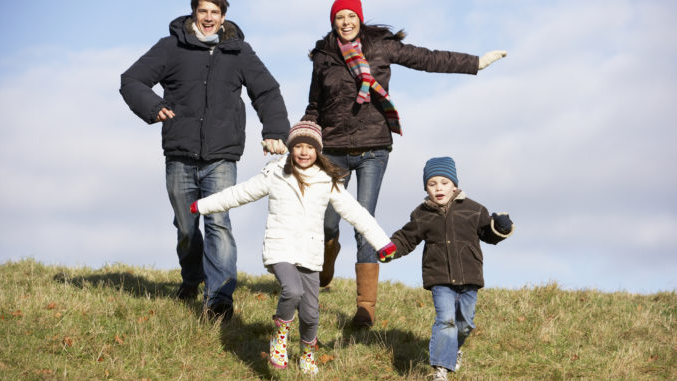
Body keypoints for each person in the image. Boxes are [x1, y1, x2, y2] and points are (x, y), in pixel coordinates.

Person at [301, 0, 508, 327]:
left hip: (374, 148)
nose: (345, 22)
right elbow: (314, 105)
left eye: (350, 16)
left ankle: (365, 308)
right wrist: (301, 136)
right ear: (333, 21)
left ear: (359, 18)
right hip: (334, 149)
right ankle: (327, 257)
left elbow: (427, 58)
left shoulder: (381, 47)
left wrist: (475, 64)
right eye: (339, 17)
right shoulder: (324, 57)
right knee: (327, 220)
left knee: (364, 221)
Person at [119, 0, 290, 320]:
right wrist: (153, 106)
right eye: (203, 11)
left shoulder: (239, 51)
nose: (209, 18)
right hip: (179, 154)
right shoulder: (170, 47)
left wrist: (275, 131)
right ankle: (192, 277)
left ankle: (219, 299)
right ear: (194, 13)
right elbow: (131, 80)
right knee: (186, 227)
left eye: (215, 12)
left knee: (218, 224)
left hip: (221, 157)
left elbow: (266, 91)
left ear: (223, 16)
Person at [190, 121, 395, 374]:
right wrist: (203, 205)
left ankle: (308, 352)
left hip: (310, 253)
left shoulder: (326, 181)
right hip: (280, 249)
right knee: (293, 290)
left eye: (310, 147)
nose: (304, 152)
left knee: (310, 315)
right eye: (299, 146)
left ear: (318, 151)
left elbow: (357, 213)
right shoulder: (276, 174)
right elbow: (239, 193)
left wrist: (382, 243)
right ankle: (280, 336)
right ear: (291, 148)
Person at [378, 156, 515, 380]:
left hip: (469, 276)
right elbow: (406, 238)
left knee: (465, 324)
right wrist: (389, 250)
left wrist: (500, 226)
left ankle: (455, 350)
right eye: (432, 184)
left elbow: (489, 234)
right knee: (446, 320)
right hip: (439, 278)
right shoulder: (422, 214)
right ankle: (441, 370)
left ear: (454, 185)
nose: (438, 188)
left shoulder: (474, 209)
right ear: (426, 188)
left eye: (444, 182)